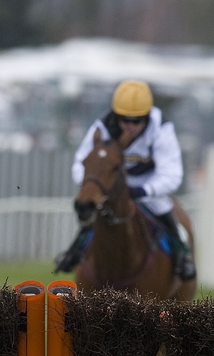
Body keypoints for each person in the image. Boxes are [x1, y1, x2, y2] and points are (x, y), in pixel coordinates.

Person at [54, 80, 196, 281]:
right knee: (93, 215)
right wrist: (94, 188)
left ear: (147, 117)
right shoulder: (102, 127)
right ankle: (75, 251)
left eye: (137, 121)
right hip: (111, 185)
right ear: (116, 116)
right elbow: (81, 163)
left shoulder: (161, 128)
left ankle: (181, 254)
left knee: (163, 209)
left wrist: (143, 191)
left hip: (148, 184)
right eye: (124, 120)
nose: (130, 127)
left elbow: (172, 174)